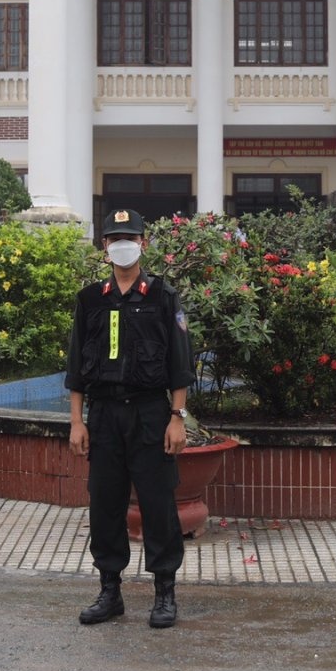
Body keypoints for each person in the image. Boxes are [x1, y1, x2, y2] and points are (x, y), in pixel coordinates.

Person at [64, 208, 193, 629]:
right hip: (103, 417)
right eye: (114, 237)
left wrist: (177, 417)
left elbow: (180, 362)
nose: (122, 244)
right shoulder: (89, 299)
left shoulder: (163, 296)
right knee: (104, 505)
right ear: (104, 247)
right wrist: (76, 421)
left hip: (150, 415)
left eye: (130, 237)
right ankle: (109, 591)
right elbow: (76, 367)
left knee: (158, 505)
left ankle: (164, 593)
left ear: (144, 244)